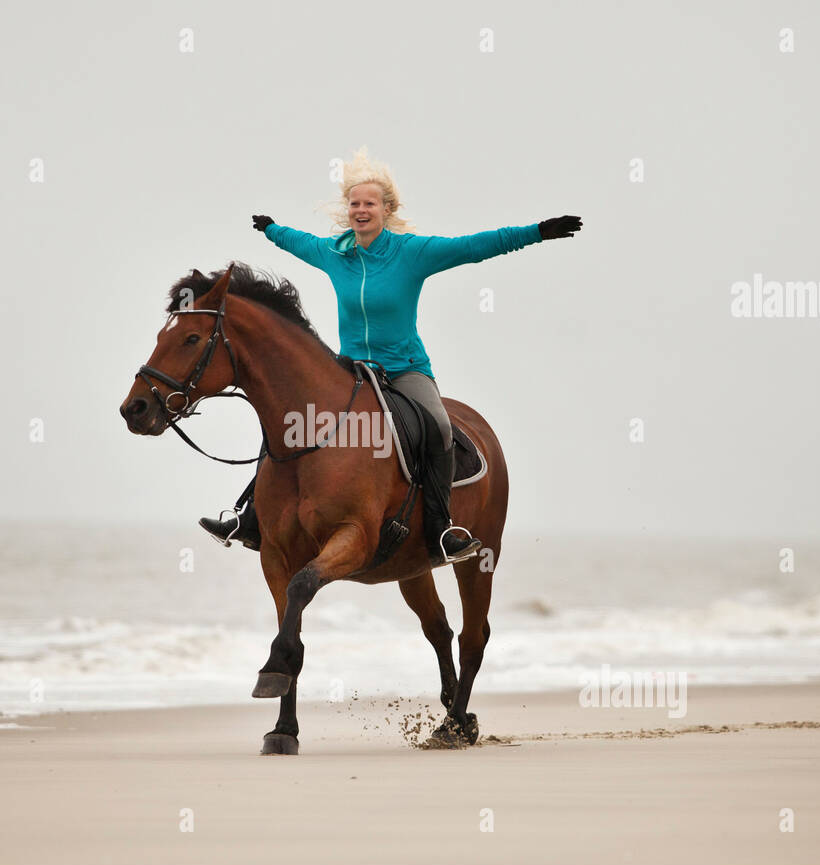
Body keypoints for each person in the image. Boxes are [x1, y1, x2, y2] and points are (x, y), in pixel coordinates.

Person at [200, 147, 581, 564]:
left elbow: (475, 246)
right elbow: (298, 242)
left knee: (437, 427)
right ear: (348, 211)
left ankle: (441, 528)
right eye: (355, 204)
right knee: (287, 419)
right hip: (350, 371)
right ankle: (250, 515)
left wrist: (538, 231)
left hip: (404, 370)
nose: (361, 210)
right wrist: (273, 230)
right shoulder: (335, 254)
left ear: (386, 210)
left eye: (369, 204)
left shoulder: (412, 253)